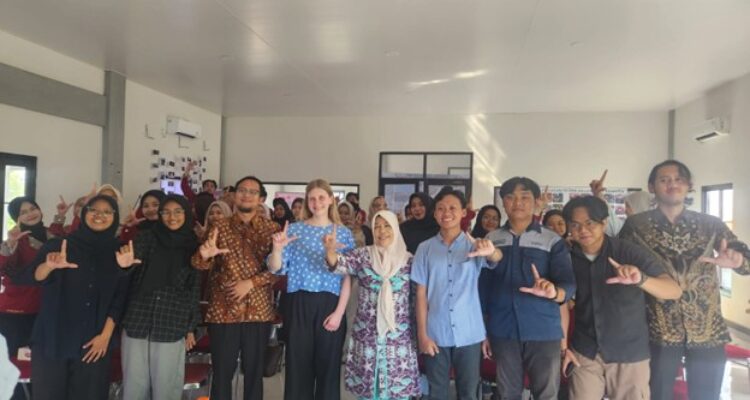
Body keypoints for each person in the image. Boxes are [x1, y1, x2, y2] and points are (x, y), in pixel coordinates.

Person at [619, 160, 750, 400]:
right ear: (652, 186)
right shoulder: (636, 226)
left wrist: (738, 260)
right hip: (657, 328)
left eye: (679, 179)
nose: (672, 184)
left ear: (689, 185)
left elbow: (744, 258)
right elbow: (621, 265)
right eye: (664, 179)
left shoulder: (711, 224)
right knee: (657, 394)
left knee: (706, 396)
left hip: (707, 328)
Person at [561, 195, 682, 400]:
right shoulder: (567, 257)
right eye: (575, 225)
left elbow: (673, 290)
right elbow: (562, 302)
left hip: (629, 353)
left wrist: (641, 279)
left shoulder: (628, 252)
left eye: (590, 223)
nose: (583, 230)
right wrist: (563, 348)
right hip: (586, 351)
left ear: (604, 222)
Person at [22, 195, 129, 400]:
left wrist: (105, 337)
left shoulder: (119, 251)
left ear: (115, 217)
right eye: (93, 210)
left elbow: (120, 297)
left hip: (94, 341)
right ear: (84, 213)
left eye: (107, 211)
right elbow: (33, 276)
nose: (99, 215)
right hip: (53, 337)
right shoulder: (59, 244)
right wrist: (49, 266)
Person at [484, 177, 576, 400]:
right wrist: (483, 331)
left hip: (543, 329)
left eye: (524, 197)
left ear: (535, 202)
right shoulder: (491, 240)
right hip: (503, 330)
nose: (517, 203)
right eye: (510, 197)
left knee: (546, 393)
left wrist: (554, 292)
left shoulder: (551, 240)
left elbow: (568, 283)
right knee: (507, 394)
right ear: (503, 202)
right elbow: (483, 288)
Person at [191, 176, 281, 400]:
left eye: (252, 192)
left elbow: (279, 270)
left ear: (261, 198)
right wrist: (204, 256)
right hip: (224, 311)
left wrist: (250, 283)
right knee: (222, 374)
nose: (246, 195)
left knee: (254, 373)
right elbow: (198, 264)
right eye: (242, 190)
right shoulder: (219, 226)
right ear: (234, 195)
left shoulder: (272, 229)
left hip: (258, 311)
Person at [412, 188, 502, 400]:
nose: (446, 213)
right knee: (437, 392)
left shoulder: (476, 245)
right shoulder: (424, 249)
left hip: (469, 332)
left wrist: (492, 252)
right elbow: (421, 295)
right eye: (441, 208)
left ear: (463, 212)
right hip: (436, 332)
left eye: (452, 208)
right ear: (435, 213)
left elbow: (496, 258)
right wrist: (422, 336)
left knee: (469, 392)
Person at [268, 179, 355, 400]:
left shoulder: (343, 233)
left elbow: (347, 277)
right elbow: (276, 268)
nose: (317, 203)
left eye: (321, 197)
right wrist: (277, 249)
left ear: (331, 200)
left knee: (328, 369)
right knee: (298, 368)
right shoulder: (294, 230)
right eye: (312, 198)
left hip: (331, 304)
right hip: (298, 302)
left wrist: (339, 313)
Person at [324, 210, 421, 399]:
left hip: (398, 336)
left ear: (395, 229)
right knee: (369, 387)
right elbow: (338, 265)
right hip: (367, 334)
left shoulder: (409, 260)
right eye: (377, 226)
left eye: (386, 226)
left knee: (397, 388)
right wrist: (330, 251)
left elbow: (420, 294)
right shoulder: (363, 255)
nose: (381, 231)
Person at [117, 195, 201, 400]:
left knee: (166, 387)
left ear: (186, 213)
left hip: (171, 323)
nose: (172, 217)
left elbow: (194, 289)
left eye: (178, 212)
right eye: (166, 212)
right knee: (133, 386)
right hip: (138, 319)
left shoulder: (193, 246)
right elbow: (131, 267)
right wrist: (124, 266)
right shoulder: (147, 238)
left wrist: (191, 327)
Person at [0, 197, 55, 399]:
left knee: (39, 365)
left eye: (33, 208)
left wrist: (64, 216)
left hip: (44, 311)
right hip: (16, 313)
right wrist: (10, 245)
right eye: (23, 212)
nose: (30, 213)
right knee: (16, 367)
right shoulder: (17, 240)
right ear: (17, 218)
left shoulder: (52, 234)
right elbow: (4, 268)